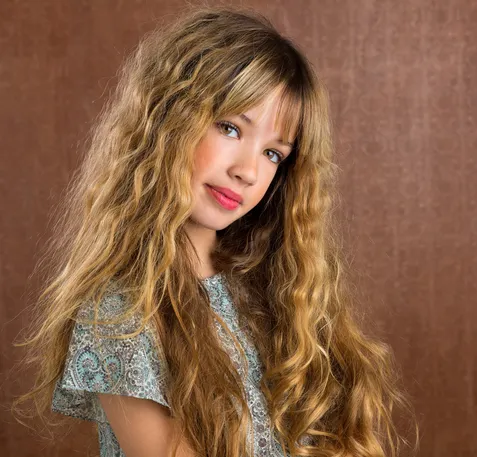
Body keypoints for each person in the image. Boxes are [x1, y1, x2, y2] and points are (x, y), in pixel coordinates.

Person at [12, 5, 419, 457]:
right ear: (168, 119)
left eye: (272, 154)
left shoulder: (275, 294)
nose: (247, 171)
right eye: (230, 128)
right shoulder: (121, 312)